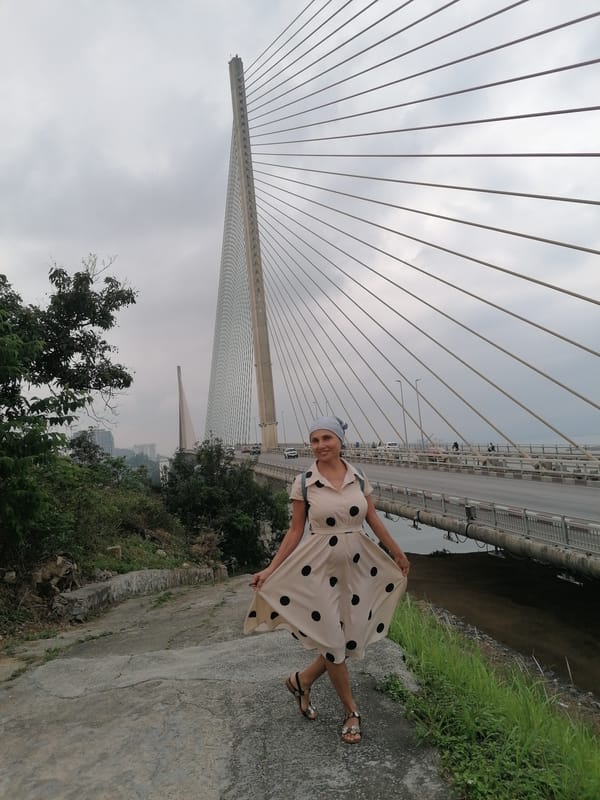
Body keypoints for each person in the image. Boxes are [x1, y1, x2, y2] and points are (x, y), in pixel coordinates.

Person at [244, 416, 410, 745]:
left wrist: (397, 553)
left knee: (348, 639)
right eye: (315, 440)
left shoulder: (358, 477)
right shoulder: (304, 483)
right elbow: (295, 531)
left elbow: (372, 518)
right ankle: (351, 711)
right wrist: (271, 569)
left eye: (326, 438)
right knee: (333, 641)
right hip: (319, 570)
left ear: (339, 441)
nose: (320, 445)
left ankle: (301, 681)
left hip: (357, 569)